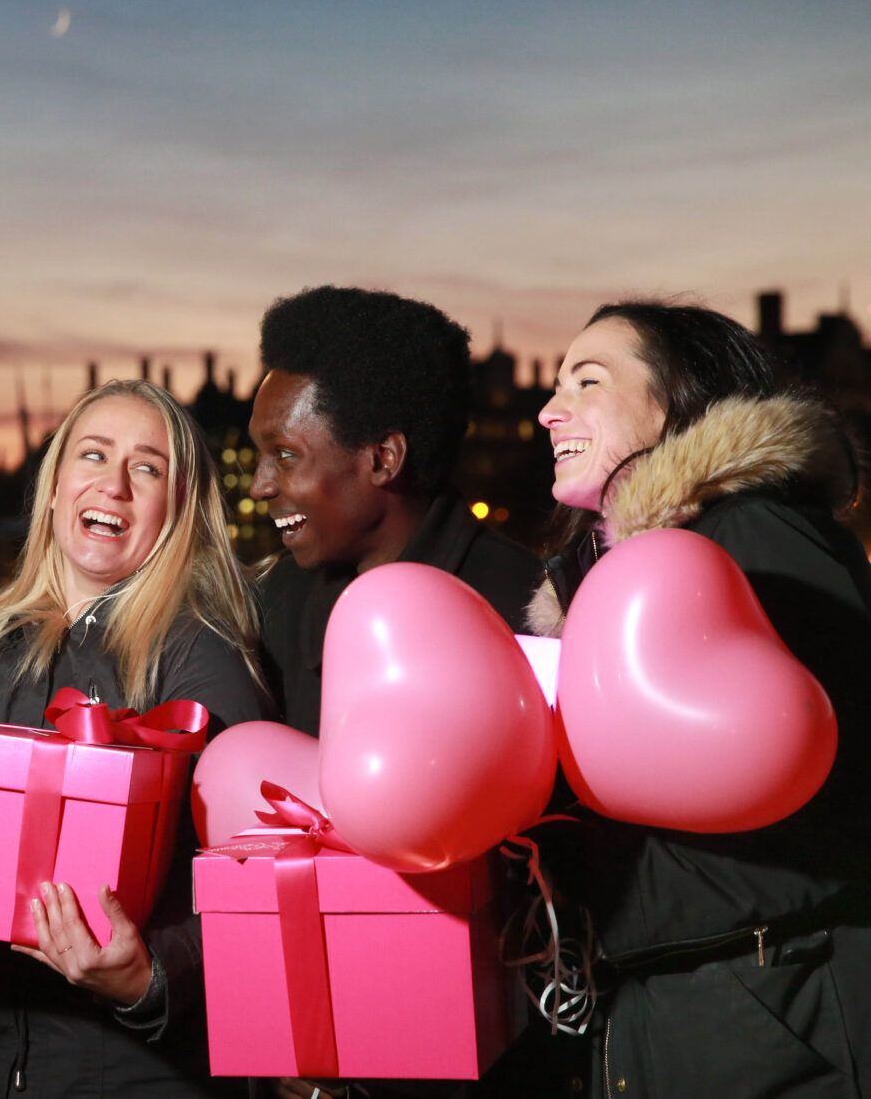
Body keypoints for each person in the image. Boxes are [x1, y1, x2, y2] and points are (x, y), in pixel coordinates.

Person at [530, 302, 871, 1098]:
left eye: (587, 381)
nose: (550, 411)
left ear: (677, 401)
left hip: (771, 994)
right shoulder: (617, 580)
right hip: (661, 999)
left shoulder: (753, 531)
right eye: (553, 387)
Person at [0, 379, 267, 1097]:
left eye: (146, 468)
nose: (113, 484)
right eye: (92, 455)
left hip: (129, 1072)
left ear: (177, 510)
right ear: (54, 489)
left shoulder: (199, 651)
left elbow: (251, 874)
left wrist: (147, 979)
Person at [249, 285, 543, 736]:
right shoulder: (273, 606)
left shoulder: (532, 612)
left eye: (285, 455)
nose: (259, 486)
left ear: (384, 459)